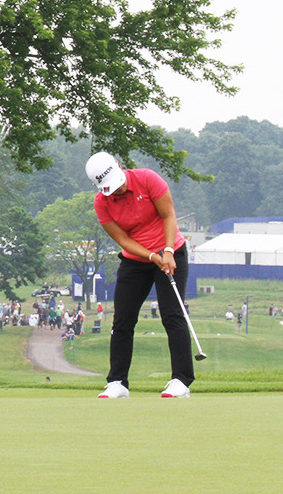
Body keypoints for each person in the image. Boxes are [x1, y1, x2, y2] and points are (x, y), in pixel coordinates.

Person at [86, 152, 193, 399]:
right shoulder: (102, 203)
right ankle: (117, 382)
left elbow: (168, 215)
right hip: (136, 259)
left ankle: (181, 380)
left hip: (171, 251)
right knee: (122, 320)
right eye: (110, 188)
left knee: (172, 315)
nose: (117, 190)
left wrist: (167, 251)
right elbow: (123, 239)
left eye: (117, 183)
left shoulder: (147, 179)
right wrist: (151, 256)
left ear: (119, 166)